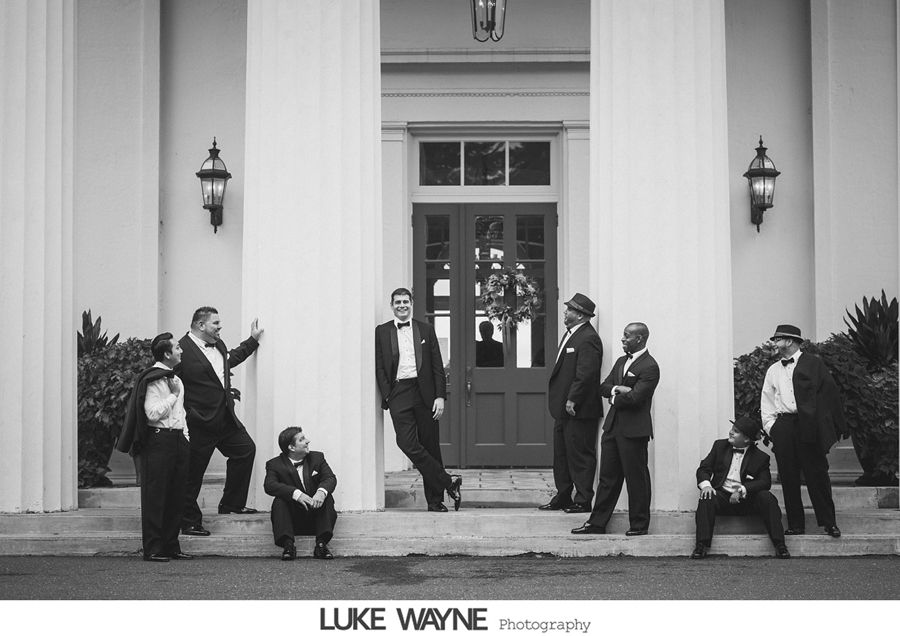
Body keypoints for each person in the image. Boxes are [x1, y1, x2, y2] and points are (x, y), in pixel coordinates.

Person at [178, 307, 264, 536]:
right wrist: (186, 415)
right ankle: (188, 521)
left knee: (245, 450)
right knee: (192, 473)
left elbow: (228, 361)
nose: (220, 327)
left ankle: (231, 504)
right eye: (215, 323)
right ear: (200, 325)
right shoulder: (181, 350)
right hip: (199, 424)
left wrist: (252, 341)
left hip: (225, 419)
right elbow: (170, 384)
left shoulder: (219, 345)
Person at [375, 288, 462, 512]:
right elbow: (380, 366)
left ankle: (435, 501)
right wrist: (388, 394)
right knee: (406, 443)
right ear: (392, 305)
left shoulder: (425, 329)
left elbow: (437, 366)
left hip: (425, 393)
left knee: (430, 446)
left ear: (411, 303)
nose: (402, 305)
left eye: (405, 301)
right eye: (397, 302)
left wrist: (440, 396)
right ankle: (448, 481)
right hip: (399, 392)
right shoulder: (382, 331)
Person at [572, 322, 659, 536]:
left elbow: (636, 398)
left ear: (639, 338)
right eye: (623, 334)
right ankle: (596, 524)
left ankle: (639, 525)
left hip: (634, 431)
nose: (623, 339)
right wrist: (618, 389)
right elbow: (603, 387)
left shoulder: (650, 366)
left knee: (636, 479)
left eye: (627, 335)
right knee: (607, 479)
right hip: (612, 428)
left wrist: (614, 398)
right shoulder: (621, 361)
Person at [761, 324, 847, 538]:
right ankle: (796, 525)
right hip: (783, 426)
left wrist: (823, 426)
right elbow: (767, 400)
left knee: (817, 474)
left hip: (809, 425)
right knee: (788, 477)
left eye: (777, 339)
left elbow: (829, 396)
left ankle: (829, 523)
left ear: (789, 341)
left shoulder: (814, 364)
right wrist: (772, 428)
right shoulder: (773, 370)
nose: (774, 343)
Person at [117, 333, 192, 562]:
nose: (181, 350)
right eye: (177, 348)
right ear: (167, 354)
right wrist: (173, 396)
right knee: (155, 496)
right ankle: (153, 548)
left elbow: (181, 412)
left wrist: (185, 436)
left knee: (176, 495)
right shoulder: (153, 379)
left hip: (178, 439)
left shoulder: (176, 379)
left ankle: (171, 546)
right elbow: (151, 413)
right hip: (158, 441)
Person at [539, 293, 603, 514]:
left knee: (580, 455)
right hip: (562, 409)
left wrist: (572, 398)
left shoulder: (589, 338)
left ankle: (583, 499)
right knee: (561, 455)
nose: (565, 312)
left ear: (581, 315)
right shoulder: (571, 335)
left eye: (570, 310)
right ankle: (563, 495)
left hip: (579, 409)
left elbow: (586, 373)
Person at [691, 416, 789, 559]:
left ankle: (780, 544)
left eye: (736, 431)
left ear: (746, 439)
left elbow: (765, 482)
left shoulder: (760, 457)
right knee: (707, 497)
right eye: (732, 429)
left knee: (767, 497)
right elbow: (704, 469)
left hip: (747, 501)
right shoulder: (719, 446)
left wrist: (742, 489)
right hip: (722, 496)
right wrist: (706, 485)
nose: (731, 432)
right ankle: (701, 545)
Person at [264, 426, 337, 560]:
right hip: (292, 520)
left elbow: (330, 478)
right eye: (302, 439)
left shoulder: (317, 457)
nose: (308, 441)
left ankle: (321, 545)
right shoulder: (274, 464)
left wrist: (321, 493)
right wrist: (296, 494)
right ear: (291, 447)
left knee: (327, 497)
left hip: (316, 516)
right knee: (279, 501)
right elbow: (269, 485)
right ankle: (288, 545)